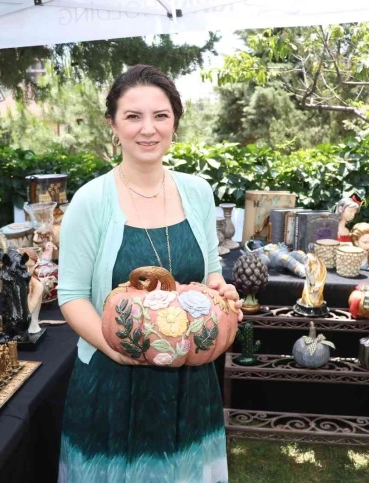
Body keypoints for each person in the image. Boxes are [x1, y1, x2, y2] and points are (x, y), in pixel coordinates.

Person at [57, 65, 242, 483]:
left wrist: (219, 293)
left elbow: (210, 273)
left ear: (175, 122)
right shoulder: (90, 201)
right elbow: (71, 295)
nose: (148, 129)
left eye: (160, 115)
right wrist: (115, 348)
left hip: (190, 378)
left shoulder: (198, 192)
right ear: (113, 124)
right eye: (133, 116)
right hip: (114, 378)